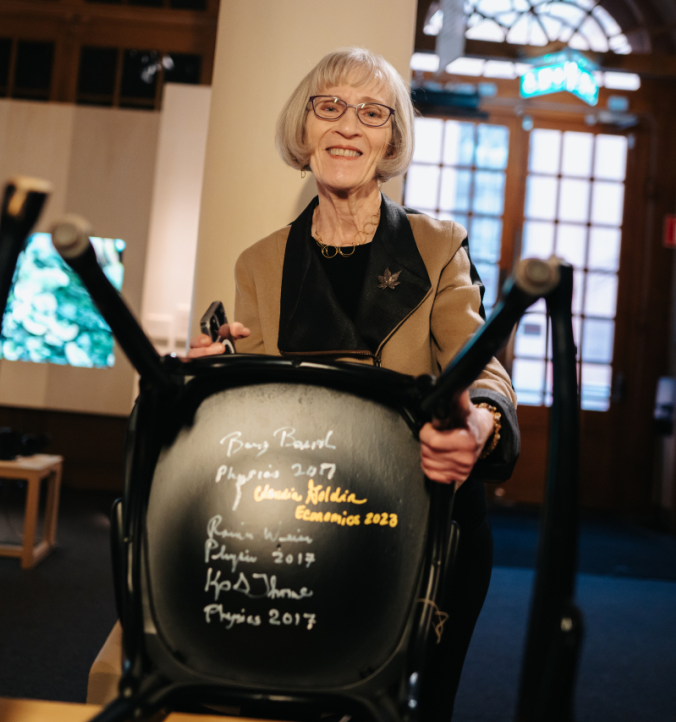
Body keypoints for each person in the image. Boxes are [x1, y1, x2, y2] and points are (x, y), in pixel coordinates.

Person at [188, 47, 519, 721]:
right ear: (302, 128)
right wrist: (210, 385)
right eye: (329, 106)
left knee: (408, 709)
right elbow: (263, 407)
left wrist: (479, 424)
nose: (347, 126)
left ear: (391, 139)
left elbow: (481, 368)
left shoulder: (437, 246)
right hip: (308, 526)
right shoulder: (260, 263)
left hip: (425, 526)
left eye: (372, 113)